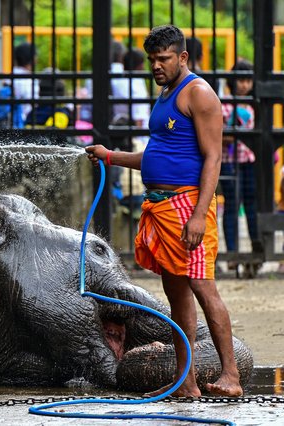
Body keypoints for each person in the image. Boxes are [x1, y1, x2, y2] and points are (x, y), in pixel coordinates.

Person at [86, 24, 243, 398]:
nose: (156, 66)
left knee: (204, 289)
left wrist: (198, 214)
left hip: (187, 206)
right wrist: (111, 156)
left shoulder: (199, 93)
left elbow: (213, 158)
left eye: (164, 59)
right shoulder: (166, 94)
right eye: (152, 59)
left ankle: (232, 376)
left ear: (183, 57)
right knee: (177, 297)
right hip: (159, 206)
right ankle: (186, 383)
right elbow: (156, 156)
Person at [219, 59, 261, 269]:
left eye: (248, 81)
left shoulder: (255, 104)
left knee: (252, 204)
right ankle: (232, 254)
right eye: (240, 80)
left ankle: (256, 250)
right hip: (229, 161)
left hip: (249, 160)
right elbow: (218, 134)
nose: (244, 85)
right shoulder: (224, 103)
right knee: (232, 205)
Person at [0, 42, 39, 129]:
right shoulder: (30, 81)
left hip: (5, 120)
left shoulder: (9, 76)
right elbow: (32, 107)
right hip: (23, 123)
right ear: (33, 59)